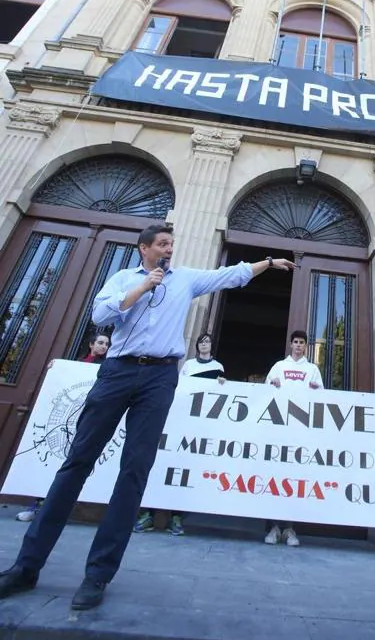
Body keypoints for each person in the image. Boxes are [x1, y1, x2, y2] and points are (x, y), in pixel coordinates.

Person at [0, 224, 296, 610]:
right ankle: (26, 566)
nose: (169, 249)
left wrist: (269, 262)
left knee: (134, 471)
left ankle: (98, 574)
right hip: (117, 372)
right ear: (144, 249)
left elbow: (231, 275)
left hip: (159, 377)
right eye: (162, 244)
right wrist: (142, 289)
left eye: (172, 244)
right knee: (76, 463)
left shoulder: (186, 280)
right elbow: (101, 313)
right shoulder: (123, 278)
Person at [134, 332, 225, 536]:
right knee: (161, 465)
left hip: (199, 425)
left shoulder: (218, 367)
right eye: (201, 342)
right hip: (179, 421)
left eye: (207, 341)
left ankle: (176, 517)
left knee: (186, 471)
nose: (204, 345)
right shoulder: (189, 366)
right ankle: (148, 513)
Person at [15, 332, 111, 523]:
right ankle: (37, 505)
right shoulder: (76, 365)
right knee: (53, 463)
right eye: (100, 343)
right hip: (66, 422)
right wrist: (57, 368)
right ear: (91, 344)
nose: (103, 347)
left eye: (107, 344)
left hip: (91, 421)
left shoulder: (109, 368)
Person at [264, 330, 323, 547]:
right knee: (274, 478)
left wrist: (317, 391)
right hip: (279, 431)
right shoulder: (279, 366)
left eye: (302, 342)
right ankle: (273, 528)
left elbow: (322, 397)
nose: (298, 345)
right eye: (295, 342)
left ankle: (290, 529)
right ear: (290, 345)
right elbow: (264, 393)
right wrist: (273, 385)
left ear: (306, 346)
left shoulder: (312, 369)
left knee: (296, 480)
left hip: (301, 433)